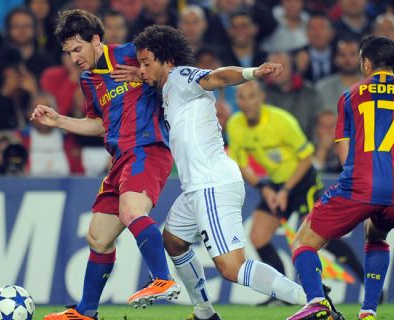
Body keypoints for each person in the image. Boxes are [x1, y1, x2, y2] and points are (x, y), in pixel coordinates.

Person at [131, 25, 313, 320]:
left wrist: (252, 73)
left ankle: (313, 300)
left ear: (167, 60)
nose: (141, 70)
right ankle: (204, 313)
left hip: (211, 184)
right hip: (196, 188)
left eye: (145, 62)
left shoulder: (180, 77)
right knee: (174, 240)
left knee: (232, 267)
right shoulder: (166, 89)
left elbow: (216, 76)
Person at [30, 9, 179, 320]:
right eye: (68, 52)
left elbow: (179, 71)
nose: (74, 58)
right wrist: (59, 121)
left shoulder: (131, 55)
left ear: (96, 40)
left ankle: (162, 278)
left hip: (148, 148)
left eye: (78, 49)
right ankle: (86, 311)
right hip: (120, 158)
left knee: (131, 210)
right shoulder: (88, 81)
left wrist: (143, 74)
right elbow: (99, 124)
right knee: (98, 236)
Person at [286, 36, 394, 320]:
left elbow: (345, 152)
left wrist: (353, 192)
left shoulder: (349, 95)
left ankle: (317, 302)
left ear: (367, 63)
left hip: (360, 184)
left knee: (302, 242)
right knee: (376, 234)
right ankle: (368, 311)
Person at [227, 82, 363, 307]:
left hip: (302, 182)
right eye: (241, 97)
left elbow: (306, 158)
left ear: (261, 97)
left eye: (251, 96)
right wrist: (265, 189)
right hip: (276, 184)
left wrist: (286, 190)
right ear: (237, 100)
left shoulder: (282, 121)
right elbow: (243, 164)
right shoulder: (235, 125)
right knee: (258, 237)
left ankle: (367, 282)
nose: (246, 102)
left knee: (316, 237)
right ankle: (283, 294)